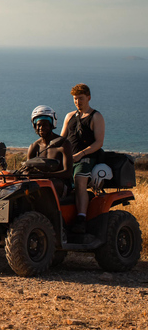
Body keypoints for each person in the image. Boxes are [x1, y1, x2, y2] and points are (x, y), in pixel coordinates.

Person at [60, 83, 105, 234]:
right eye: (75, 99)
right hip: (69, 158)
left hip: (87, 158)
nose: (78, 102)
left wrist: (81, 154)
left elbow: (99, 143)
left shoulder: (96, 117)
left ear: (88, 98)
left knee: (79, 180)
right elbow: (61, 139)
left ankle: (81, 219)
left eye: (80, 98)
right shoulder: (69, 116)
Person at [27, 105, 73, 198]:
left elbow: (68, 173)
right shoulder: (34, 147)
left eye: (45, 125)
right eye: (38, 125)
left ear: (52, 125)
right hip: (40, 182)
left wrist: (45, 175)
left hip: (60, 184)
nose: (41, 128)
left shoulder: (63, 144)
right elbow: (28, 170)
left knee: (44, 186)